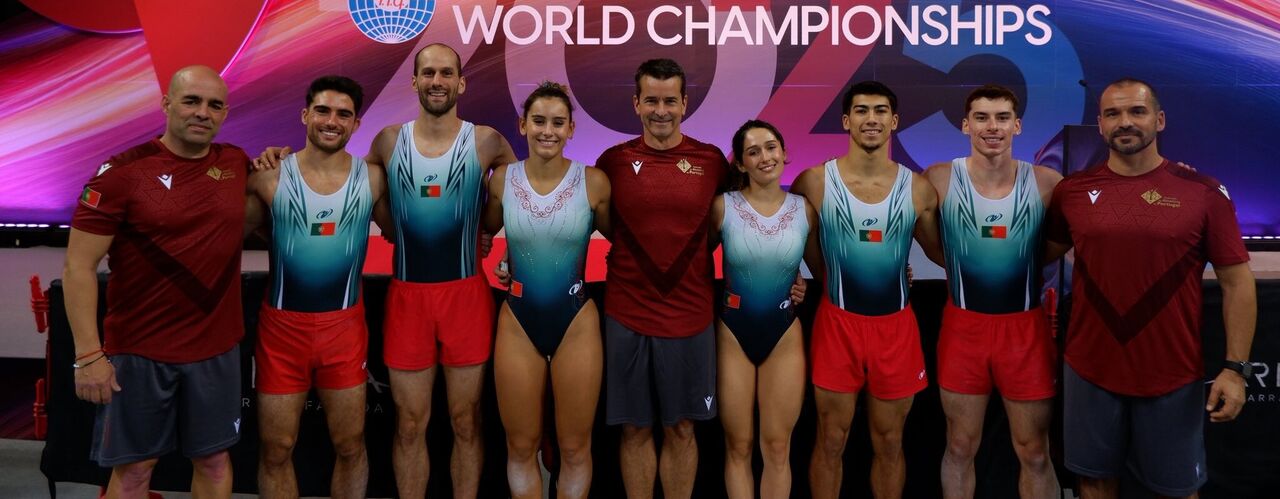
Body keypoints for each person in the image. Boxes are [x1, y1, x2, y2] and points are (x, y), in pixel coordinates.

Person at [1044, 78, 1256, 499]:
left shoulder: (1204, 194)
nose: (1125, 122)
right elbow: (1033, 257)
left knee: (1178, 490)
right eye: (1113, 114)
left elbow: (1237, 283)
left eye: (1136, 112)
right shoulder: (1071, 192)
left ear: (1159, 120)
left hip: (1171, 372)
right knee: (1092, 483)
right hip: (1089, 368)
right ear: (1100, 126)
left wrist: (1235, 370)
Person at [65, 65, 248, 498]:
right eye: (191, 101)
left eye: (214, 105)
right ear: (167, 104)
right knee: (134, 472)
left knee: (215, 461)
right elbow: (77, 268)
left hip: (216, 349)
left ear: (224, 114)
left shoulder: (236, 162)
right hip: (140, 351)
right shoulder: (121, 173)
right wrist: (89, 355)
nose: (202, 112)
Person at [790, 80, 943, 499]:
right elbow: (787, 243)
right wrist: (797, 276)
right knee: (830, 440)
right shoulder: (814, 182)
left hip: (896, 330)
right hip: (837, 324)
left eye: (879, 111)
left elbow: (949, 257)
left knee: (891, 443)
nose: (870, 119)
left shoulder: (918, 189)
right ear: (846, 120)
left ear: (894, 121)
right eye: (860, 110)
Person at [593, 58, 729, 499]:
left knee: (683, 428)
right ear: (636, 103)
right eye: (651, 100)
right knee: (633, 429)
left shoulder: (711, 162)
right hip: (626, 313)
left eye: (670, 100)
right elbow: (597, 225)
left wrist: (792, 276)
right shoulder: (611, 162)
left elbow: (742, 223)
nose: (661, 110)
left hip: (691, 315)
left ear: (685, 103)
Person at [243, 75, 385, 499]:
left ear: (356, 124)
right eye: (322, 110)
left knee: (349, 444)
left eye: (343, 114)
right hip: (282, 330)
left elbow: (410, 230)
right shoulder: (267, 178)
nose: (331, 121)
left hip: (344, 329)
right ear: (305, 115)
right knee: (277, 448)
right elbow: (222, 242)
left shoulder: (374, 179)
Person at [923, 85, 1062, 499]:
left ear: (1017, 125)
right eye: (981, 118)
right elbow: (929, 242)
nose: (992, 127)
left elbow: (1068, 240)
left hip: (1025, 332)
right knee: (961, 446)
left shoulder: (1047, 182)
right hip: (963, 329)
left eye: (1002, 117)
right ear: (966, 125)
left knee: (1035, 451)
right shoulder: (939, 178)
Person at [481, 81, 611, 499]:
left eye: (558, 123)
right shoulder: (502, 179)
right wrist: (508, 262)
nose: (548, 131)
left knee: (575, 448)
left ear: (572, 129)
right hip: (518, 319)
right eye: (539, 121)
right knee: (520, 446)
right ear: (523, 125)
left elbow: (632, 245)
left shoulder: (594, 183)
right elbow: (483, 232)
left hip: (576, 322)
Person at [714, 120, 819, 498]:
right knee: (738, 447)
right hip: (733, 334)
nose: (765, 157)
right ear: (740, 163)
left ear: (785, 153)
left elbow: (827, 269)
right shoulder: (721, 207)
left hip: (784, 335)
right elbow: (686, 263)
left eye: (771, 147)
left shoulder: (804, 210)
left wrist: (897, 272)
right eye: (753, 151)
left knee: (777, 448)